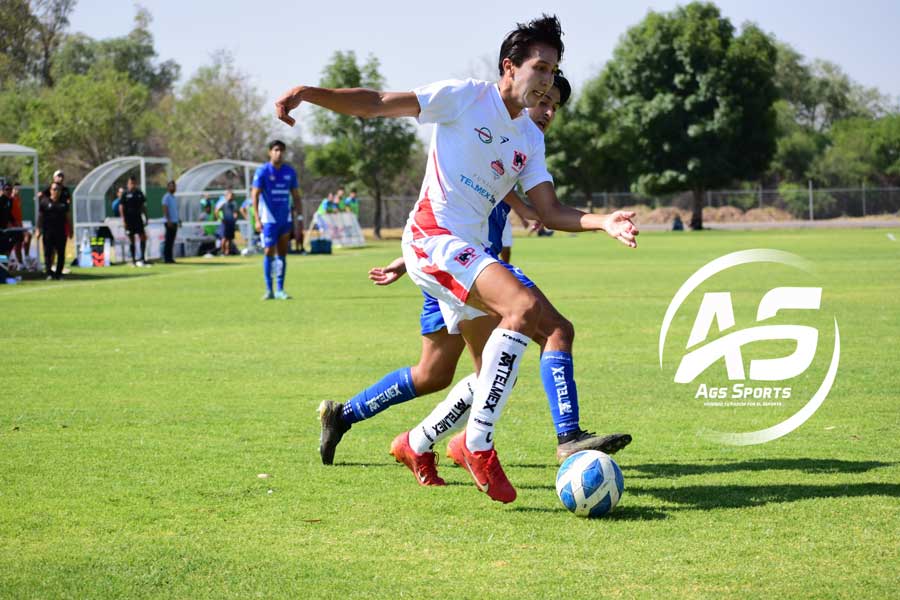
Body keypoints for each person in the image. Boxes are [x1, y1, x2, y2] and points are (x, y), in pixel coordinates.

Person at [276, 15, 637, 503]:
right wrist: (309, 92)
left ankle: (421, 442)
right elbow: (378, 104)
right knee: (520, 312)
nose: (548, 81)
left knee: (541, 336)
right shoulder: (466, 96)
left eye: (554, 72)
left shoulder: (530, 138)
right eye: (541, 68)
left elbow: (549, 211)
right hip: (432, 237)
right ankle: (476, 442)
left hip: (470, 254)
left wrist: (603, 222)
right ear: (509, 67)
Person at [251, 140, 301, 300]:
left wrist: (299, 218)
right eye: (276, 150)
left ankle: (280, 289)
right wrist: (257, 219)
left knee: (282, 253)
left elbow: (296, 196)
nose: (279, 153)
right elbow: (255, 195)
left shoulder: (289, 172)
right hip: (269, 219)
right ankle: (269, 289)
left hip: (285, 218)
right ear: (270, 152)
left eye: (281, 150)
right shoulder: (263, 171)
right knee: (268, 251)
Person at [37, 182, 71, 280]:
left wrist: (70, 229)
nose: (57, 191)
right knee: (48, 253)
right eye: (54, 189)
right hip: (48, 232)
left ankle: (59, 273)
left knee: (61, 253)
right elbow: (40, 217)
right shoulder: (44, 202)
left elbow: (68, 217)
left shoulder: (63, 203)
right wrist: (38, 229)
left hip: (60, 232)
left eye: (58, 189)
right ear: (50, 190)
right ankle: (48, 273)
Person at [119, 175, 150, 267]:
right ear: (128, 184)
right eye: (130, 183)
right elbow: (121, 207)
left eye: (134, 183)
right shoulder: (125, 194)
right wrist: (124, 220)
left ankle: (142, 259)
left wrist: (146, 217)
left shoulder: (139, 193)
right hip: (129, 220)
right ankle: (133, 260)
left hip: (138, 219)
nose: (132, 185)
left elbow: (143, 206)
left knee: (143, 237)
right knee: (131, 239)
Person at [161, 180, 179, 263]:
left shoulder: (173, 197)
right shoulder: (166, 197)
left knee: (171, 241)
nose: (173, 187)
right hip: (169, 222)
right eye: (171, 186)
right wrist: (168, 220)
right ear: (168, 187)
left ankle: (170, 258)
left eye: (174, 186)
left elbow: (174, 210)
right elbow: (165, 208)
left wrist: (178, 220)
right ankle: (166, 258)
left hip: (174, 221)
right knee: (168, 240)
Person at [216, 189, 238, 256]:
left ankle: (227, 252)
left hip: (231, 222)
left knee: (229, 238)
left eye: (232, 195)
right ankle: (222, 251)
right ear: (226, 196)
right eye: (230, 195)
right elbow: (216, 211)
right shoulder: (223, 202)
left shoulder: (234, 203)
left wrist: (235, 217)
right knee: (224, 238)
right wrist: (220, 219)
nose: (232, 197)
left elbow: (235, 212)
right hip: (225, 222)